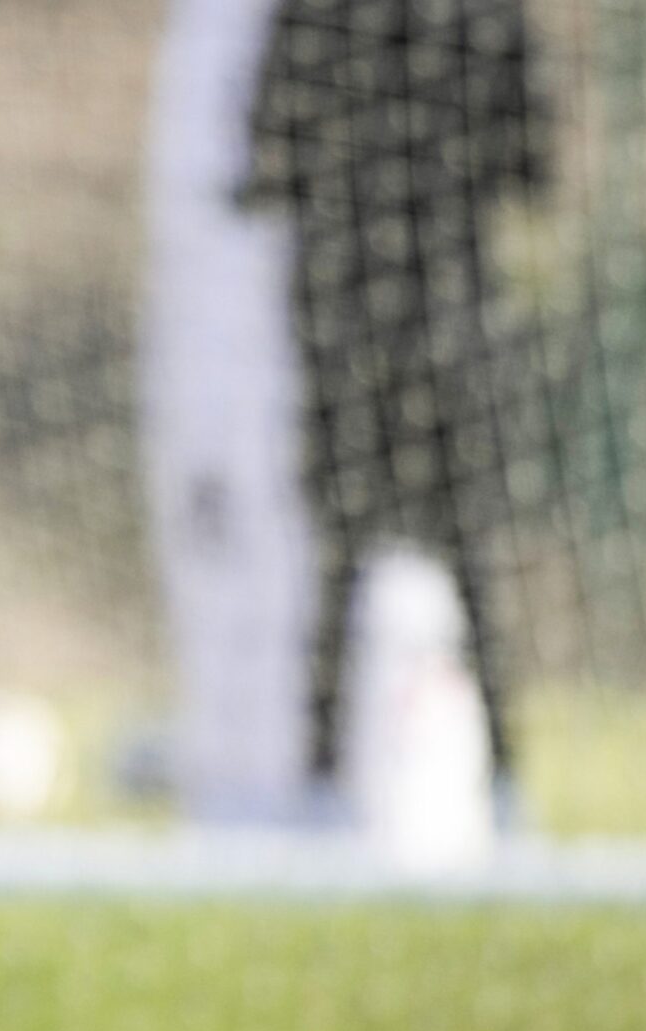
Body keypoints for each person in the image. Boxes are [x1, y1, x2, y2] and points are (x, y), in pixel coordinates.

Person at [241, 0, 552, 819]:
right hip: (451, 308)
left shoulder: (313, 13)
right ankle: (502, 784)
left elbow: (265, 161)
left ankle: (323, 778)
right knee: (463, 550)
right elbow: (534, 168)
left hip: (347, 310)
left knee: (343, 550)